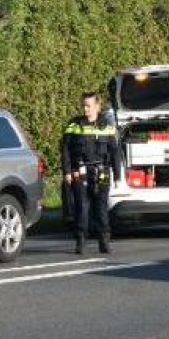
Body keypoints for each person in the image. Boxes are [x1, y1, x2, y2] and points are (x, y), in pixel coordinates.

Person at [61, 91, 118, 255]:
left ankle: (104, 242)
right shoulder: (74, 125)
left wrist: (118, 176)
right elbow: (65, 150)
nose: (85, 109)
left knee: (101, 208)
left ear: (97, 106)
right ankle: (80, 242)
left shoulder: (106, 125)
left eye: (88, 106)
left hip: (102, 171)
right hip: (80, 171)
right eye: (83, 106)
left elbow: (114, 151)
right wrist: (67, 171)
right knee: (82, 208)